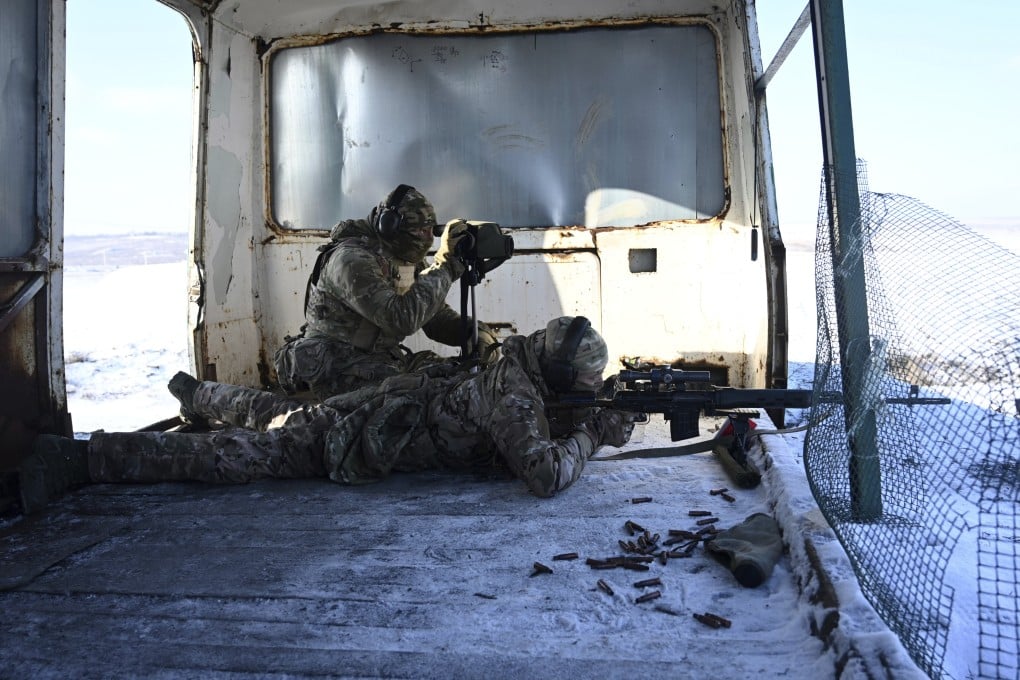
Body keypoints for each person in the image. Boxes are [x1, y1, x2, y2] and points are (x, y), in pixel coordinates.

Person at [19, 317, 637, 514]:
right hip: (364, 433)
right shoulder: (515, 395)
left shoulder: (521, 360)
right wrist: (589, 435)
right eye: (583, 384)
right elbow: (545, 475)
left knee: (275, 410)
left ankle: (200, 395)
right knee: (243, 455)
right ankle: (83, 457)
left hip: (384, 402)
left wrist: (582, 417)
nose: (590, 390)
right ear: (557, 375)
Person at [273, 184, 499, 400]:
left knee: (461, 380)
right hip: (339, 366)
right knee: (428, 399)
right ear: (389, 226)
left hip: (381, 360)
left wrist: (473, 333)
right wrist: (446, 265)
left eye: (431, 230)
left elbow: (433, 316)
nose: (428, 239)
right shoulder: (352, 259)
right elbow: (399, 319)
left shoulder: (403, 257)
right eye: (419, 231)